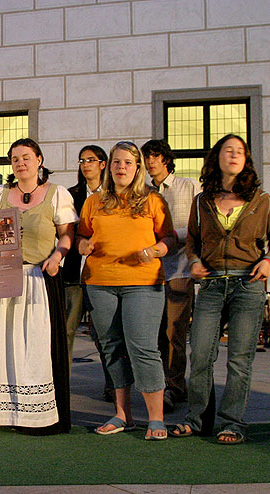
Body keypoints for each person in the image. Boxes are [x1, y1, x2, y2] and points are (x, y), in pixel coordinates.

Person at [171, 134, 270, 445]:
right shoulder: (202, 201)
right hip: (210, 285)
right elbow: (193, 239)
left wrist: (269, 260)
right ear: (216, 158)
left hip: (247, 284)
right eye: (227, 150)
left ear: (246, 160)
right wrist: (193, 260)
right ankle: (198, 420)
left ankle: (232, 423)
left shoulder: (261, 201)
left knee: (239, 358)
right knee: (202, 354)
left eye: (239, 152)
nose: (233, 155)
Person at [0, 138, 77, 434]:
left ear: (39, 161)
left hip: (37, 279)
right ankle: (6, 412)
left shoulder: (56, 194)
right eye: (15, 159)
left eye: (26, 157)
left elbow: (67, 234)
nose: (21, 163)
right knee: (4, 345)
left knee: (34, 349)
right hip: (4, 277)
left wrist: (58, 255)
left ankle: (38, 417)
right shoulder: (1, 194)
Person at [78, 141, 175, 440]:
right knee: (111, 347)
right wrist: (84, 245)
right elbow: (81, 236)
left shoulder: (153, 200)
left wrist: (156, 250)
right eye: (117, 162)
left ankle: (156, 419)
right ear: (110, 167)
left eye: (128, 163)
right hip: (99, 282)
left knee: (143, 347)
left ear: (138, 168)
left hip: (143, 283)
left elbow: (170, 237)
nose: (122, 167)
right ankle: (123, 415)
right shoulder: (94, 201)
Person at [141, 139, 201, 413]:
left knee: (175, 331)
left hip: (178, 269)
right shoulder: (142, 192)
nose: (150, 162)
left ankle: (174, 386)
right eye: (147, 158)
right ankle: (160, 385)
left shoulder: (187, 187)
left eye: (155, 157)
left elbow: (198, 227)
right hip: (148, 273)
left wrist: (165, 240)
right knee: (154, 333)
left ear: (166, 159)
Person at [62, 145, 113, 401]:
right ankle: (61, 384)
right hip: (72, 273)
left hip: (104, 273)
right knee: (66, 330)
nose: (85, 165)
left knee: (104, 333)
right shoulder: (72, 195)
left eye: (90, 160)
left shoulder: (114, 195)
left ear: (103, 164)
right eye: (82, 160)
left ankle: (114, 385)